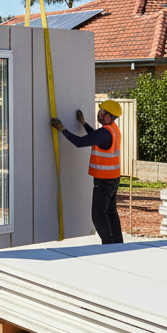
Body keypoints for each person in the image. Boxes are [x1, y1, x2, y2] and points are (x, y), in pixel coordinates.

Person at [51, 100, 124, 245]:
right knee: (110, 213)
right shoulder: (112, 129)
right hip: (113, 179)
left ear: (108, 116)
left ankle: (108, 246)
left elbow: (80, 142)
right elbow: (95, 137)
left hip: (104, 181)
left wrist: (63, 129)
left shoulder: (105, 132)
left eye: (102, 112)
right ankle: (117, 245)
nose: (99, 113)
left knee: (98, 215)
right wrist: (83, 123)